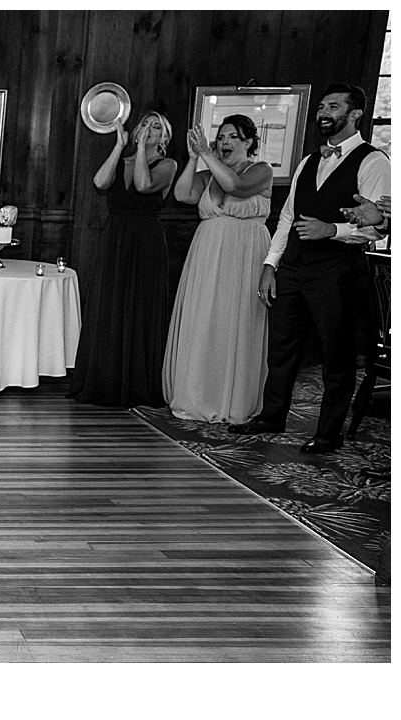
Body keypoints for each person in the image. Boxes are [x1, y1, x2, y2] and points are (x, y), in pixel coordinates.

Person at [229, 83, 391, 454]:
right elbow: (287, 218)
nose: (323, 112)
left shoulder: (374, 162)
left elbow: (378, 224)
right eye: (321, 106)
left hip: (339, 272)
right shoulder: (309, 160)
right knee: (282, 348)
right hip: (295, 269)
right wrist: (270, 265)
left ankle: (329, 432)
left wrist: (332, 229)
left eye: (333, 106)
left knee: (337, 354)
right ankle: (272, 416)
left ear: (354, 115)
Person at [163, 115, 275, 424]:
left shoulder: (261, 170)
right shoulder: (208, 172)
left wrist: (209, 156)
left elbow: (236, 187)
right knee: (205, 318)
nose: (224, 142)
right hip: (208, 252)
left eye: (232, 138)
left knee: (234, 320)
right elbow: (183, 194)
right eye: (221, 137)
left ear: (249, 142)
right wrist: (193, 158)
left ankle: (232, 399)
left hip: (245, 253)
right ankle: (198, 393)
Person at [69, 111, 178, 407]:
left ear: (164, 138)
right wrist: (120, 147)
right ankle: (103, 380)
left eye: (157, 127)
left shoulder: (167, 164)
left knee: (139, 305)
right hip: (115, 238)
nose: (149, 129)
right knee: (110, 303)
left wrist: (141, 149)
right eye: (145, 124)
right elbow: (100, 182)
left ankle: (136, 384)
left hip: (146, 241)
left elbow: (143, 185)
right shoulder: (122, 160)